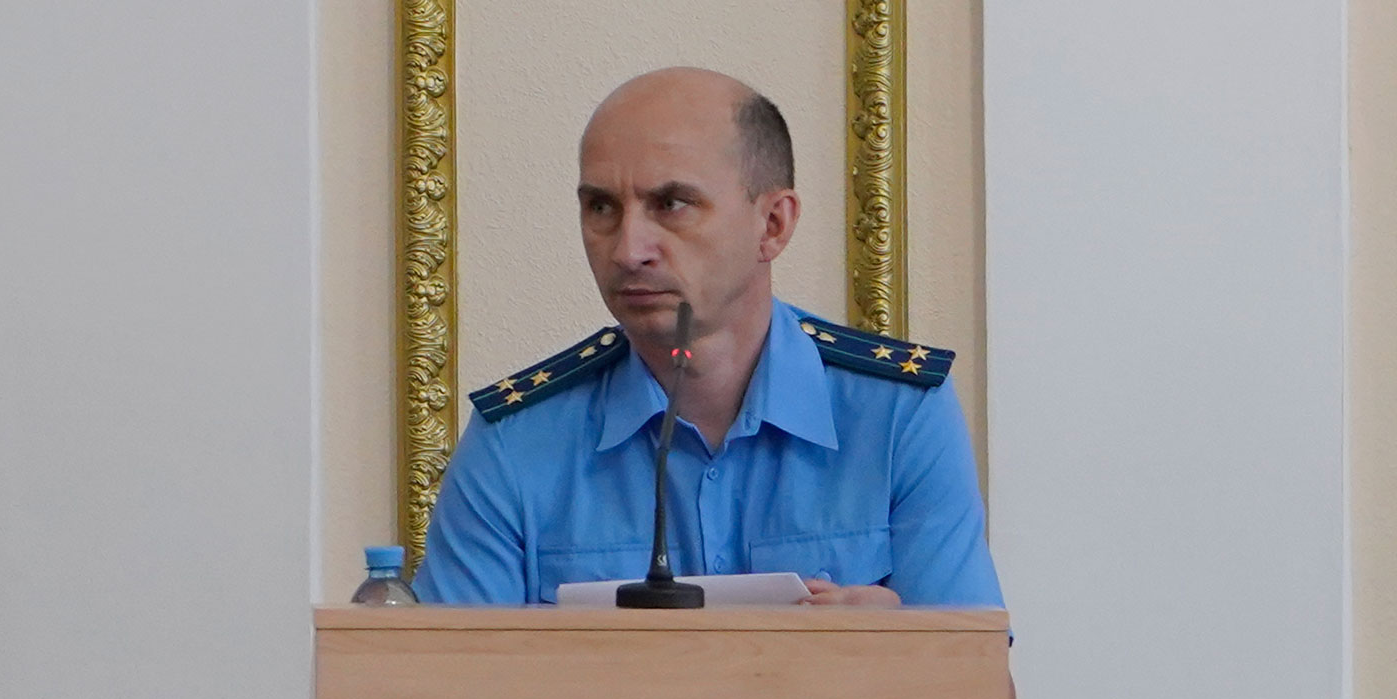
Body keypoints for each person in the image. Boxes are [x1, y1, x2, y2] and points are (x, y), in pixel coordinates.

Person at [412, 67, 1005, 609]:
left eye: (672, 204)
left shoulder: (897, 416)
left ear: (773, 224)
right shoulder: (515, 442)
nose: (628, 250)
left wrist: (892, 653)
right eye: (602, 207)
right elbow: (441, 687)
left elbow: (978, 688)